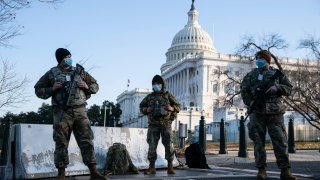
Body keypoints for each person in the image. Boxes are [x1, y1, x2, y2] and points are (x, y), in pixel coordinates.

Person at [34, 48, 107, 180]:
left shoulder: (80, 72)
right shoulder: (52, 73)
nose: (69, 58)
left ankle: (94, 172)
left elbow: (95, 85)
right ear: (60, 59)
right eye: (67, 56)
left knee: (86, 140)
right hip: (62, 112)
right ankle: (61, 174)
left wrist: (87, 86)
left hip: (80, 110)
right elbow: (38, 89)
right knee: (61, 142)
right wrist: (52, 88)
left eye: (70, 56)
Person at [240, 50, 297, 180]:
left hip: (275, 113)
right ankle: (261, 170)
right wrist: (251, 102)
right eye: (257, 57)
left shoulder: (277, 74)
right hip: (257, 112)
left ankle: (285, 171)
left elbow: (289, 89)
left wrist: (277, 88)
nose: (258, 59)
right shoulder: (251, 75)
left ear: (267, 59)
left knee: (280, 142)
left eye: (261, 57)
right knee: (258, 143)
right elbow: (244, 91)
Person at [139, 75, 180, 175]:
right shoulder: (149, 97)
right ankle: (151, 167)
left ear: (162, 85)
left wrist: (172, 108)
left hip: (166, 124)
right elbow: (141, 107)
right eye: (154, 84)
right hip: (153, 125)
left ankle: (170, 167)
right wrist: (146, 110)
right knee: (152, 146)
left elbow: (178, 106)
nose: (156, 85)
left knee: (168, 145)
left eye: (158, 84)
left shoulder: (167, 95)